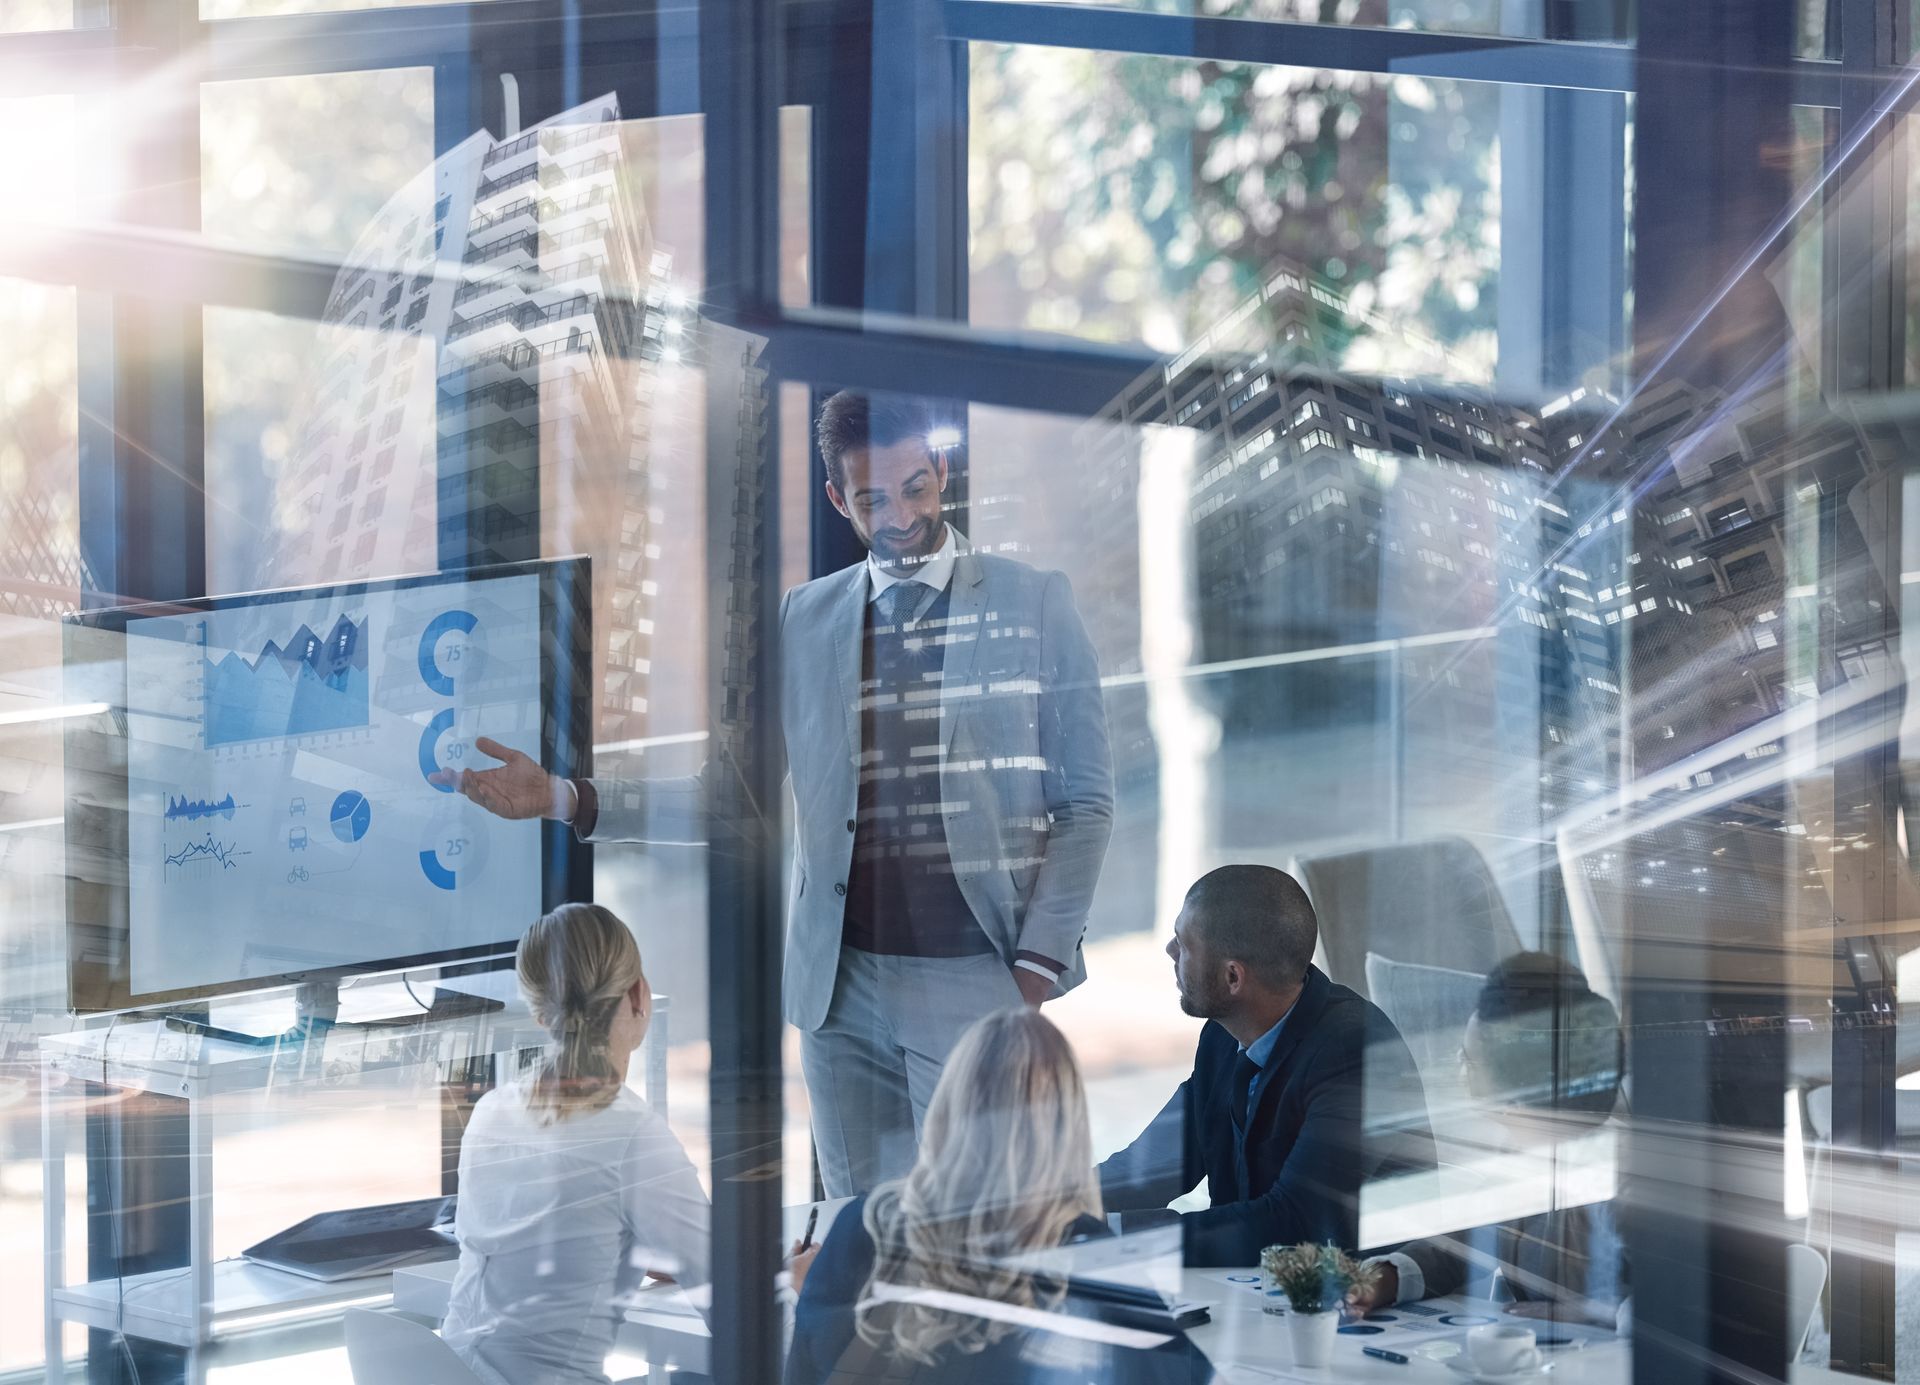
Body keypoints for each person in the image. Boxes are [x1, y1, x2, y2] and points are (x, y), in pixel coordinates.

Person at [439, 391, 1114, 1198]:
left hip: (978, 976)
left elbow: (1084, 804)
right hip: (842, 990)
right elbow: (735, 797)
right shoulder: (807, 616)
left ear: (942, 471)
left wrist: (1031, 973)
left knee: (979, 1230)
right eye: (872, 499)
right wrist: (562, 795)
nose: (900, 516)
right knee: (852, 1236)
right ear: (839, 499)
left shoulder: (1034, 601)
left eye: (915, 488)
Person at [786, 1008, 1213, 1385]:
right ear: (1066, 1127)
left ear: (948, 1107)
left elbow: (808, 1368)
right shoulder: (1092, 1261)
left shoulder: (866, 1226)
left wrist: (820, 1292)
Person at [1097, 865, 1433, 1266]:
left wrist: (1116, 1238)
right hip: (1254, 1292)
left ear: (1233, 977)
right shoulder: (1223, 1036)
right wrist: (1037, 1209)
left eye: (1184, 944)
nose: (1170, 950)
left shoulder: (1354, 1050)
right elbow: (1150, 1167)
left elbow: (1292, 1222)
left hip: (1353, 1307)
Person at [441, 903, 710, 1385]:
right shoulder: (632, 1133)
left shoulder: (491, 1111)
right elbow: (740, 1311)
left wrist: (643, 1248)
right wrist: (793, 1281)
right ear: (638, 995)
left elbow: (546, 1242)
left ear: (540, 1012)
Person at [1351, 952, 1629, 1329]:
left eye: (1469, 1058)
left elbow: (1700, 1310)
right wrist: (1387, 1277)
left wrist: (1602, 1312)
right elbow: (1463, 1244)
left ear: (1517, 1085)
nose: (1459, 1067)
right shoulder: (1520, 1153)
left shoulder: (1623, 1181)